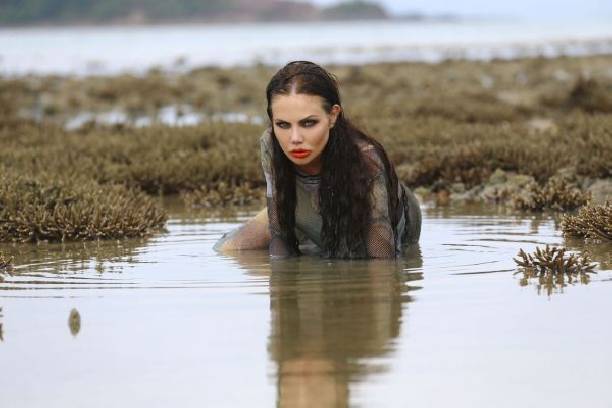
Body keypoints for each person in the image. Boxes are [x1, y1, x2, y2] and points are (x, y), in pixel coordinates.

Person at [215, 61, 421, 259]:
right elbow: (280, 238)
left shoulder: (367, 159)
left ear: (333, 116)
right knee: (229, 249)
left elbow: (382, 262)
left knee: (350, 256)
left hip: (378, 216)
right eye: (283, 125)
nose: (295, 139)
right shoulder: (270, 143)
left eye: (309, 123)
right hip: (307, 213)